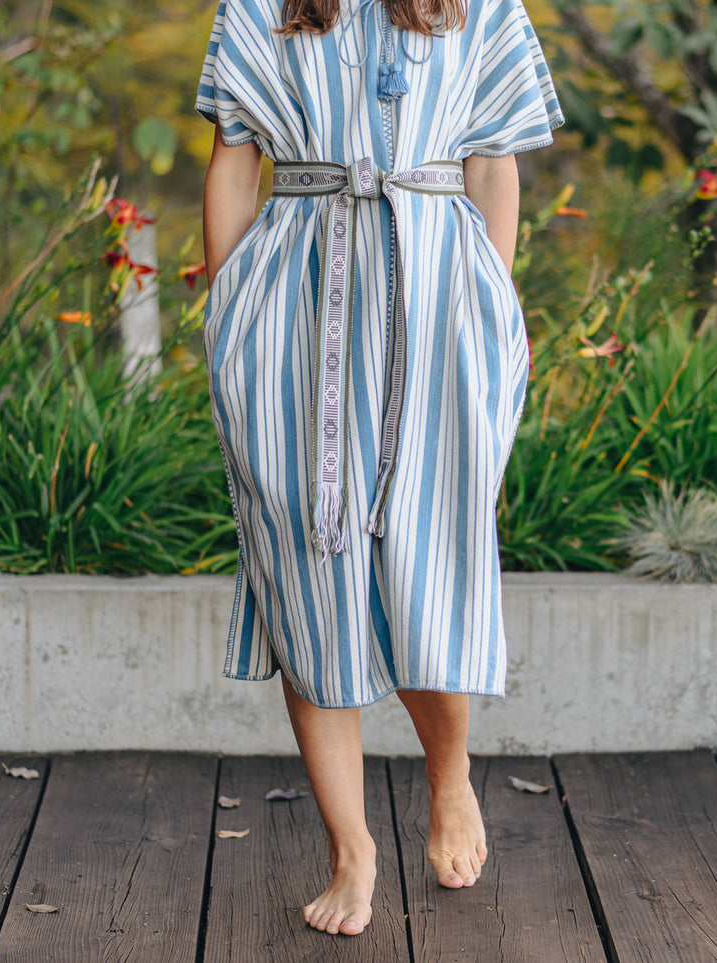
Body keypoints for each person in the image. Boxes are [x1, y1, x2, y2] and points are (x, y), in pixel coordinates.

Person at [195, 0, 563, 938]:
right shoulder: (261, 7)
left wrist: (490, 315)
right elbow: (234, 157)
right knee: (307, 579)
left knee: (424, 564)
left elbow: (491, 163)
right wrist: (228, 321)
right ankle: (351, 847)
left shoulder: (479, 8)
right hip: (290, 307)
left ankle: (449, 775)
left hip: (436, 308)